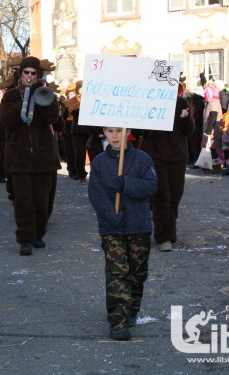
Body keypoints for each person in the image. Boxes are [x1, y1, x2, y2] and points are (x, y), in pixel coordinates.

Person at [88, 126, 157, 341]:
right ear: (104, 133)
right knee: (117, 273)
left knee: (137, 274)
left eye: (119, 131)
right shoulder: (100, 162)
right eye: (110, 131)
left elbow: (151, 187)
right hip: (113, 227)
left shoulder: (143, 159)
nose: (115, 136)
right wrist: (111, 215)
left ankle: (132, 309)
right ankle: (118, 321)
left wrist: (126, 183)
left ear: (128, 132)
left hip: (139, 225)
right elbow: (96, 194)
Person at [0, 56, 61, 255]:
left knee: (42, 201)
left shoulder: (47, 93)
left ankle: (39, 234)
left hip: (43, 157)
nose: (29, 76)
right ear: (20, 74)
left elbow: (53, 118)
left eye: (33, 73)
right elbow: (6, 121)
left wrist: (40, 97)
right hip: (19, 157)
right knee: (23, 201)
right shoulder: (10, 95)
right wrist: (25, 99)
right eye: (26, 72)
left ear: (38, 75)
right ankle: (25, 238)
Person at [136, 86, 195, 252]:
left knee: (175, 196)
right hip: (154, 154)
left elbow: (189, 130)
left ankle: (167, 224)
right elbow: (137, 130)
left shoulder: (181, 102)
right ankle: (165, 237)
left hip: (177, 154)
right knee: (161, 196)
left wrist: (185, 118)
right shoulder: (148, 101)